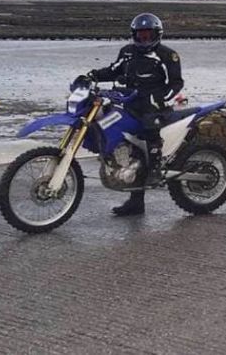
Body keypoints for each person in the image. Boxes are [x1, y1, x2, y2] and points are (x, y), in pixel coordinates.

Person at [73, 13, 184, 217]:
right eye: (140, 35)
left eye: (148, 35)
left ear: (157, 34)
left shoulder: (167, 55)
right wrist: (92, 76)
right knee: (117, 131)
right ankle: (135, 201)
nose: (144, 39)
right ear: (134, 35)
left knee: (149, 127)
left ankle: (155, 169)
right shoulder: (127, 52)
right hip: (130, 102)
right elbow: (113, 70)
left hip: (154, 106)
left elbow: (176, 83)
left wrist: (160, 98)